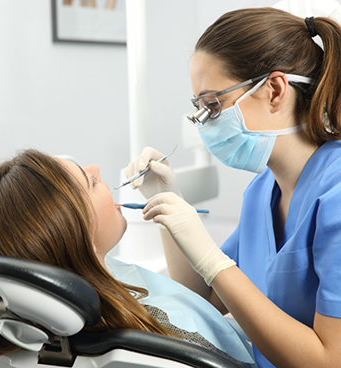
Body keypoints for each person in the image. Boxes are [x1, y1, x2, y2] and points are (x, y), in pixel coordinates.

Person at [124, 7, 341, 368]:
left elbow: (330, 360)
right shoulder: (260, 193)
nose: (203, 123)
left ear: (274, 90)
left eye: (213, 105)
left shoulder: (336, 193)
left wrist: (213, 260)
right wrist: (167, 202)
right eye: (199, 108)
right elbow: (204, 295)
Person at [0, 149, 255, 367]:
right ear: (82, 240)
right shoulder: (163, 339)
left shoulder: (87, 290)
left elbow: (193, 301)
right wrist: (213, 262)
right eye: (92, 182)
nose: (96, 167)